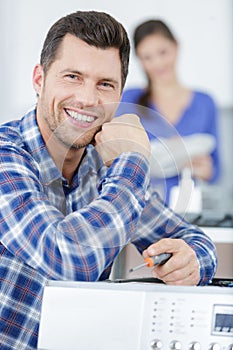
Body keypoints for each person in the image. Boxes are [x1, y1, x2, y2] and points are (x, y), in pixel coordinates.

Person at [0, 11, 217, 349]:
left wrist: (192, 262)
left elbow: (195, 240)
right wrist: (133, 159)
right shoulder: (6, 155)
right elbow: (69, 262)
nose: (88, 99)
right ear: (39, 79)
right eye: (72, 76)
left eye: (105, 84)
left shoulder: (103, 168)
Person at [116, 19, 220, 205]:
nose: (158, 63)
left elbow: (217, 169)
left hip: (188, 209)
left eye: (163, 52)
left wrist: (207, 171)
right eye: (147, 57)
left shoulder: (205, 103)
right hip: (141, 208)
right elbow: (113, 158)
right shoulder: (129, 100)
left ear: (176, 46)